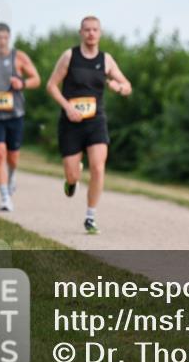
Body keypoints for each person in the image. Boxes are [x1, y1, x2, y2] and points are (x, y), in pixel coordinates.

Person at [46, 15, 132, 235]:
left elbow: (127, 86)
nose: (91, 33)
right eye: (87, 30)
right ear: (81, 33)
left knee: (98, 166)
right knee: (73, 175)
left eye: (95, 30)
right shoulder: (69, 56)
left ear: (100, 33)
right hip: (71, 122)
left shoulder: (106, 60)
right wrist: (67, 107)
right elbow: (52, 86)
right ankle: (72, 178)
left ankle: (90, 217)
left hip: (96, 121)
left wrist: (119, 88)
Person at [0, 23, 41, 212]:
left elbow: (37, 79)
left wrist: (22, 83)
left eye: (5, 37)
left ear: (9, 38)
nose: (2, 41)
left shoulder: (19, 57)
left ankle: (12, 177)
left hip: (15, 114)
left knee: (13, 158)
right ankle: (4, 197)